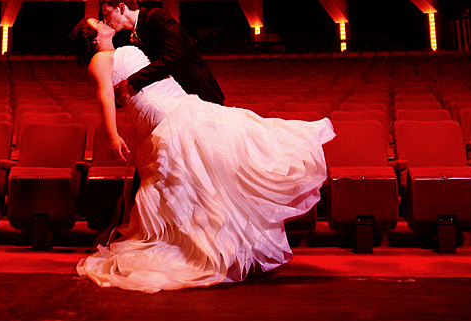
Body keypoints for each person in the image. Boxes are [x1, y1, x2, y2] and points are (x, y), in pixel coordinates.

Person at [68, 17, 334, 293]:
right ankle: (200, 250)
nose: (102, 19)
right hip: (163, 114)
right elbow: (105, 97)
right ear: (93, 38)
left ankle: (222, 248)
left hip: (176, 103)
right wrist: (112, 135)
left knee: (213, 174)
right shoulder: (99, 59)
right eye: (96, 22)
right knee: (195, 182)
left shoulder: (119, 49)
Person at [99, 0, 225, 106]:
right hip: (177, 96)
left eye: (107, 13)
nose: (105, 20)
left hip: (198, 91)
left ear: (121, 8)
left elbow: (172, 58)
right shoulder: (133, 33)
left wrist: (132, 83)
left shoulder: (158, 16)